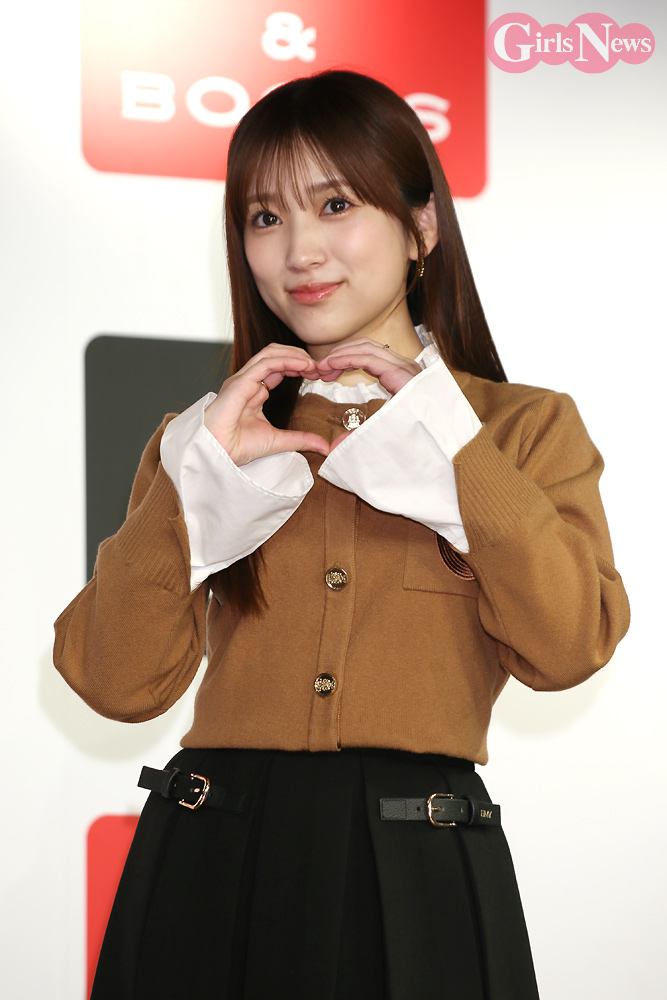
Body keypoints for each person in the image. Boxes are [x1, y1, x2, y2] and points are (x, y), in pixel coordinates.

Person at [54, 70, 630, 999]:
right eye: (264, 217)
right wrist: (189, 492)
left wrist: (458, 459)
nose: (300, 250)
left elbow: (568, 646)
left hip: (418, 866)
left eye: (334, 204)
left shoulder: (522, 430)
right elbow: (112, 684)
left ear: (421, 226)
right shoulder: (208, 435)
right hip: (210, 861)